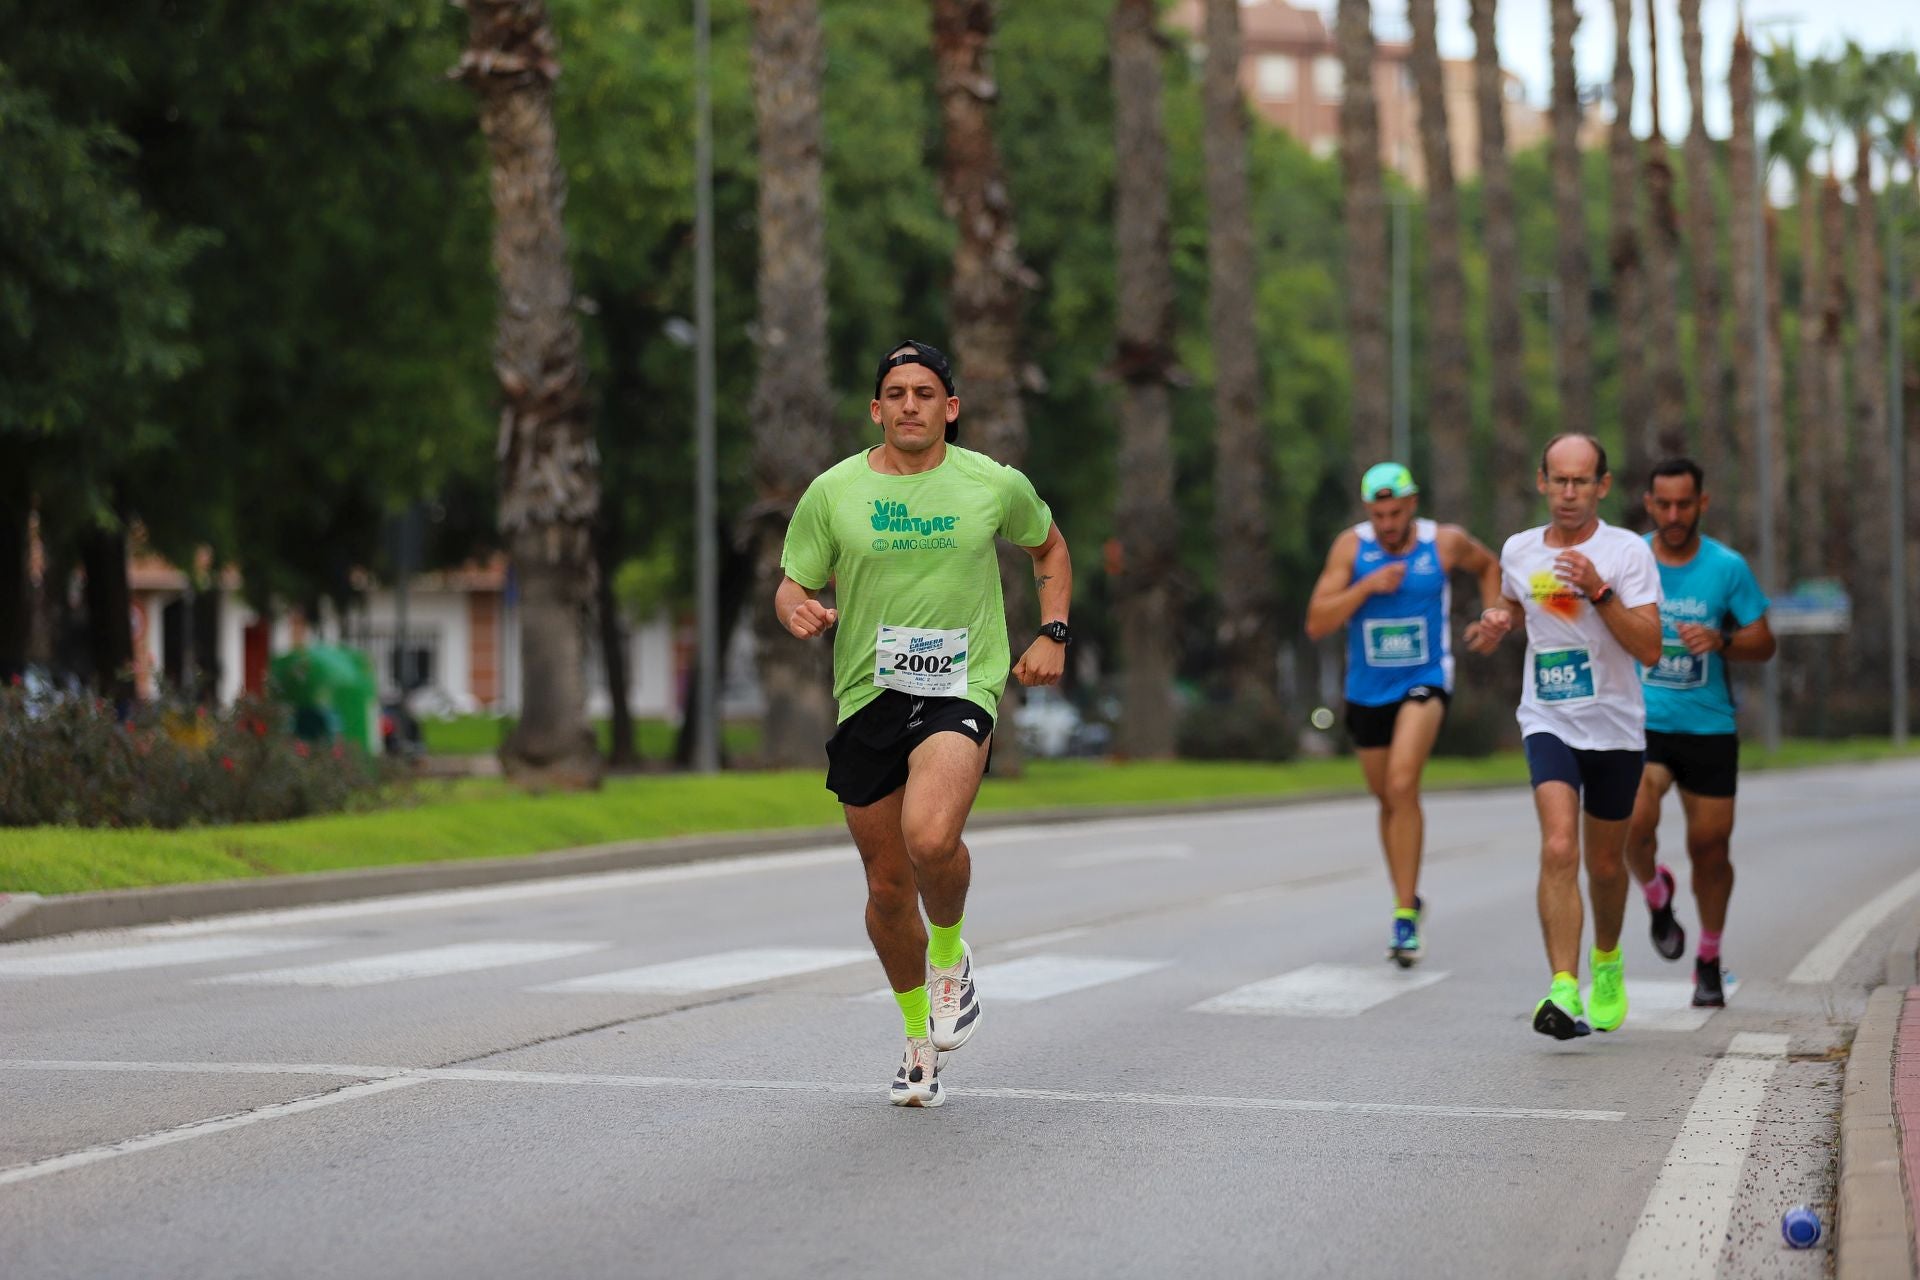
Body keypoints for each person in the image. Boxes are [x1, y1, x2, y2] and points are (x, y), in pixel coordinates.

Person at [776, 340, 1072, 1107]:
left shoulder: (992, 484)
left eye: (925, 393)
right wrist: (799, 609)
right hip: (867, 695)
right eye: (896, 393)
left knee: (931, 837)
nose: (911, 405)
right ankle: (918, 1042)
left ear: (951, 407)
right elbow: (792, 582)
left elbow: (1049, 545)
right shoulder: (833, 492)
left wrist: (1054, 631)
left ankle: (950, 957)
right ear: (877, 410)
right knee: (884, 889)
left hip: (959, 687)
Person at [1469, 434, 1663, 1039]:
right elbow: (1517, 602)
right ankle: (1562, 986)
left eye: (1582, 482)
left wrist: (1600, 590)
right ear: (1542, 482)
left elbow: (1650, 647)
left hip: (1615, 727)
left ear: (1603, 486)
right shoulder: (1520, 550)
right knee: (1559, 847)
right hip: (1548, 717)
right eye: (1560, 480)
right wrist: (1502, 620)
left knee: (1606, 866)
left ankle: (1607, 960)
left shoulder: (1627, 552)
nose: (1569, 493)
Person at [1306, 462, 1504, 966]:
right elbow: (1316, 622)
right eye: (1379, 515)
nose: (1388, 524)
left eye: (1396, 513)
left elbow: (1488, 567)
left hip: (1426, 679)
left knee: (1401, 786)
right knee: (1386, 799)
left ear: (1413, 505)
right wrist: (1365, 588)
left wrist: (1491, 614)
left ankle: (1403, 918)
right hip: (1367, 691)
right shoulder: (1351, 548)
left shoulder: (1445, 542)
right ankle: (1409, 896)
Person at [1624, 458, 1775, 1008]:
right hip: (1643, 723)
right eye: (1662, 504)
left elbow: (1764, 641)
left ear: (1702, 504)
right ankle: (1656, 893)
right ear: (1648, 503)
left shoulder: (1726, 568)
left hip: (1709, 726)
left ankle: (1708, 957)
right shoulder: (1629, 557)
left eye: (1684, 504)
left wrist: (1723, 641)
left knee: (1710, 848)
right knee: (1632, 822)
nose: (1673, 515)